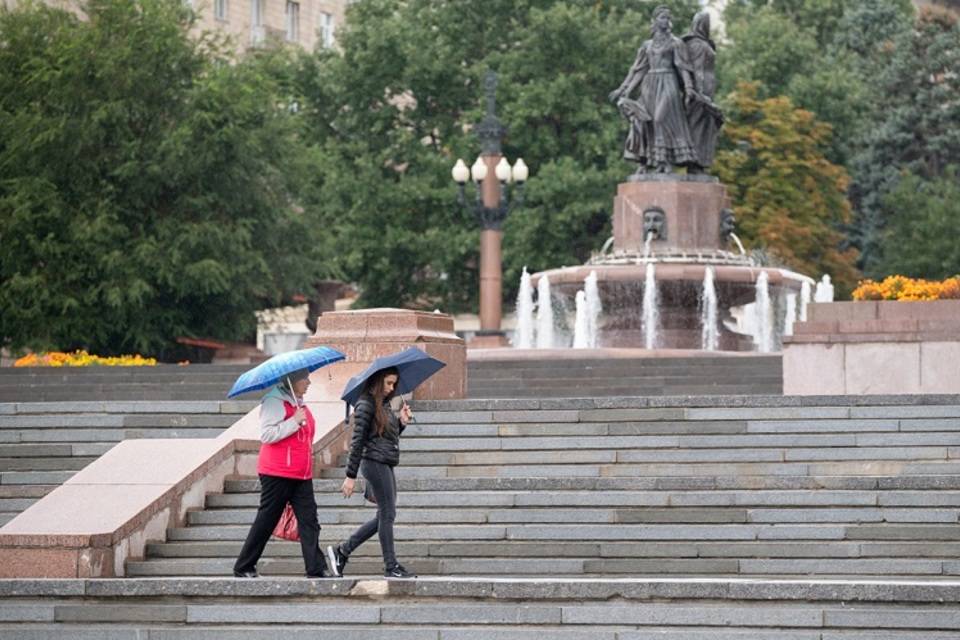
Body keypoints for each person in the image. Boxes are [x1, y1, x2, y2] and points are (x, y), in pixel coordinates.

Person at [233, 368, 330, 578]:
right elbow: (267, 435)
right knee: (267, 519)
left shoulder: (298, 402)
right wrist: (293, 421)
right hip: (277, 473)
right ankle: (244, 566)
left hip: (301, 474)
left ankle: (315, 567)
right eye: (305, 378)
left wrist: (297, 419)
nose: (309, 383)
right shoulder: (273, 401)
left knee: (309, 520)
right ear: (292, 380)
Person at [327, 367, 416, 579]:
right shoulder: (365, 404)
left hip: (384, 461)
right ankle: (390, 565)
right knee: (387, 514)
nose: (391, 388)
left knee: (385, 515)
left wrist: (402, 422)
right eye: (388, 383)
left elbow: (386, 437)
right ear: (377, 382)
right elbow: (357, 442)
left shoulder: (383, 405)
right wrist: (350, 476)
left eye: (394, 384)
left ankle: (342, 551)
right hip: (374, 463)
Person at [609, 5, 700, 173]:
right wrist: (624, 90)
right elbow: (638, 70)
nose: (666, 21)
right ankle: (649, 162)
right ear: (655, 20)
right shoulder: (647, 45)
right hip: (650, 86)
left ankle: (664, 160)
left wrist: (688, 87)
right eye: (663, 17)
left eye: (668, 18)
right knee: (645, 122)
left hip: (668, 83)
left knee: (659, 119)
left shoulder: (676, 43)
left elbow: (683, 67)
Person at [682, 10, 724, 172]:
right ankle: (694, 163)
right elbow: (697, 69)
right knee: (697, 126)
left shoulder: (703, 42)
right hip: (700, 93)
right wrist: (701, 94)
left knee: (706, 126)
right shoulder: (697, 44)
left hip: (707, 90)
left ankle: (699, 163)